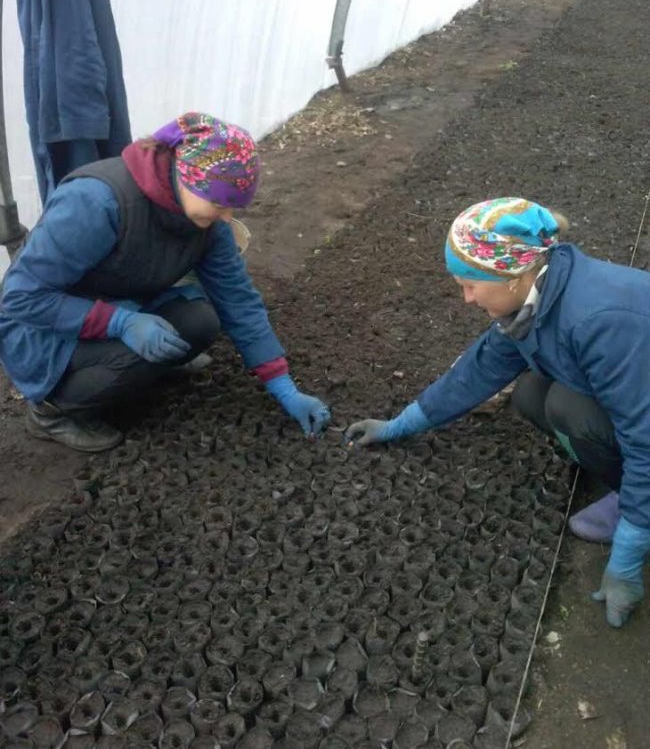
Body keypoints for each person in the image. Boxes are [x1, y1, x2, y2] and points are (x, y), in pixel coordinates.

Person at [345, 197, 650, 629]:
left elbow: (646, 441)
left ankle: (634, 509)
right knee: (531, 393)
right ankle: (628, 492)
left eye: (470, 285)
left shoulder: (598, 320)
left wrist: (627, 557)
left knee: (568, 408)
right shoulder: (537, 294)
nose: (466, 299)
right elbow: (478, 370)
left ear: (512, 277)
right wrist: (400, 424)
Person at [0, 112, 330, 452]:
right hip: (43, 329)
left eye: (234, 208)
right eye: (219, 203)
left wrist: (283, 385)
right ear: (187, 177)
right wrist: (120, 322)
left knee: (201, 321)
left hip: (119, 300)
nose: (226, 217)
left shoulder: (208, 225)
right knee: (131, 358)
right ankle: (51, 413)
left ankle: (149, 364)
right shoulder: (97, 202)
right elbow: (22, 298)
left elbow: (238, 299)